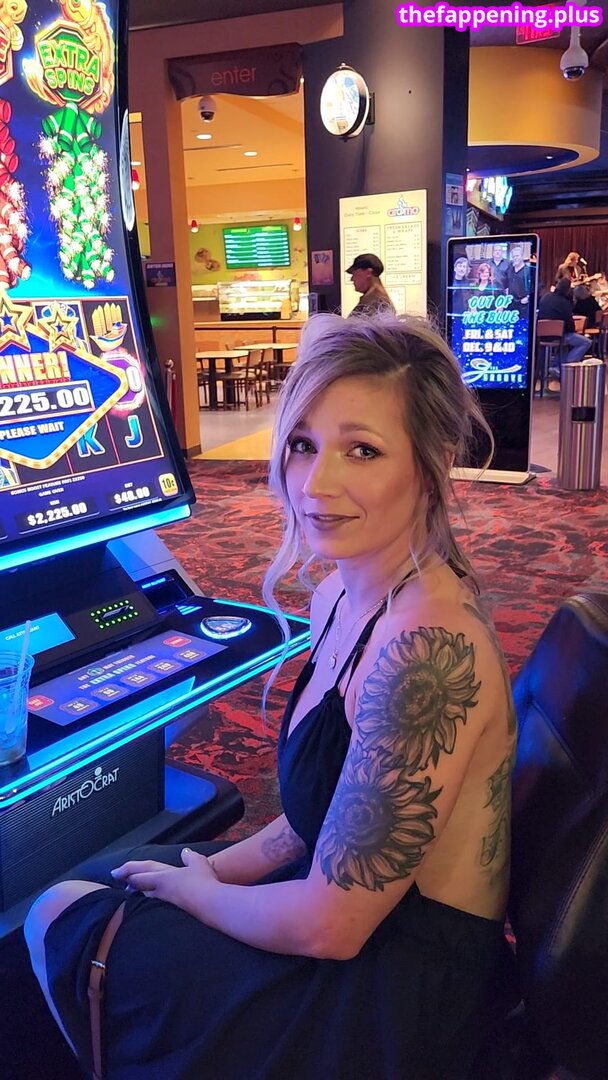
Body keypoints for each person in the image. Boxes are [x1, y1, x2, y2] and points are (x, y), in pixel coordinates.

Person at [25, 314, 515, 1080]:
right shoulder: (340, 596)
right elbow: (324, 814)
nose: (315, 484)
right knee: (88, 885)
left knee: (59, 914)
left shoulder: (428, 649)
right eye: (303, 444)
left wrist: (199, 894)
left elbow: (332, 927)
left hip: (395, 986)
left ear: (433, 464)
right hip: (340, 900)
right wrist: (214, 871)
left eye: (362, 450)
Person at [538, 275, 590, 379]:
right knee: (586, 342)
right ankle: (565, 367)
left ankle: (555, 366)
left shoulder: (545, 297)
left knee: (564, 344)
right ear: (567, 290)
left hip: (542, 335)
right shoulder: (565, 303)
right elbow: (570, 325)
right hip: (559, 335)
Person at [505, 245, 530, 318]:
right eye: (513, 256)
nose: (515, 258)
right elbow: (506, 284)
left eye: (517, 256)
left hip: (522, 306)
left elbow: (535, 288)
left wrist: (528, 298)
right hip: (510, 305)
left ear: (522, 256)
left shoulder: (528, 271)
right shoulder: (509, 270)